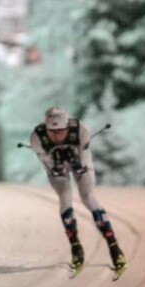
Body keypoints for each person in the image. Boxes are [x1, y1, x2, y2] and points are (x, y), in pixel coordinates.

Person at [29, 107, 126, 275]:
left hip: (80, 162)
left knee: (88, 197)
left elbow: (84, 160)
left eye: (60, 131)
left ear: (67, 128)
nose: (56, 136)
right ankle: (75, 247)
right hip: (57, 166)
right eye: (52, 132)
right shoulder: (37, 137)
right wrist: (56, 166)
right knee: (65, 196)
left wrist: (76, 164)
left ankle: (114, 246)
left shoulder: (82, 130)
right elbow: (48, 165)